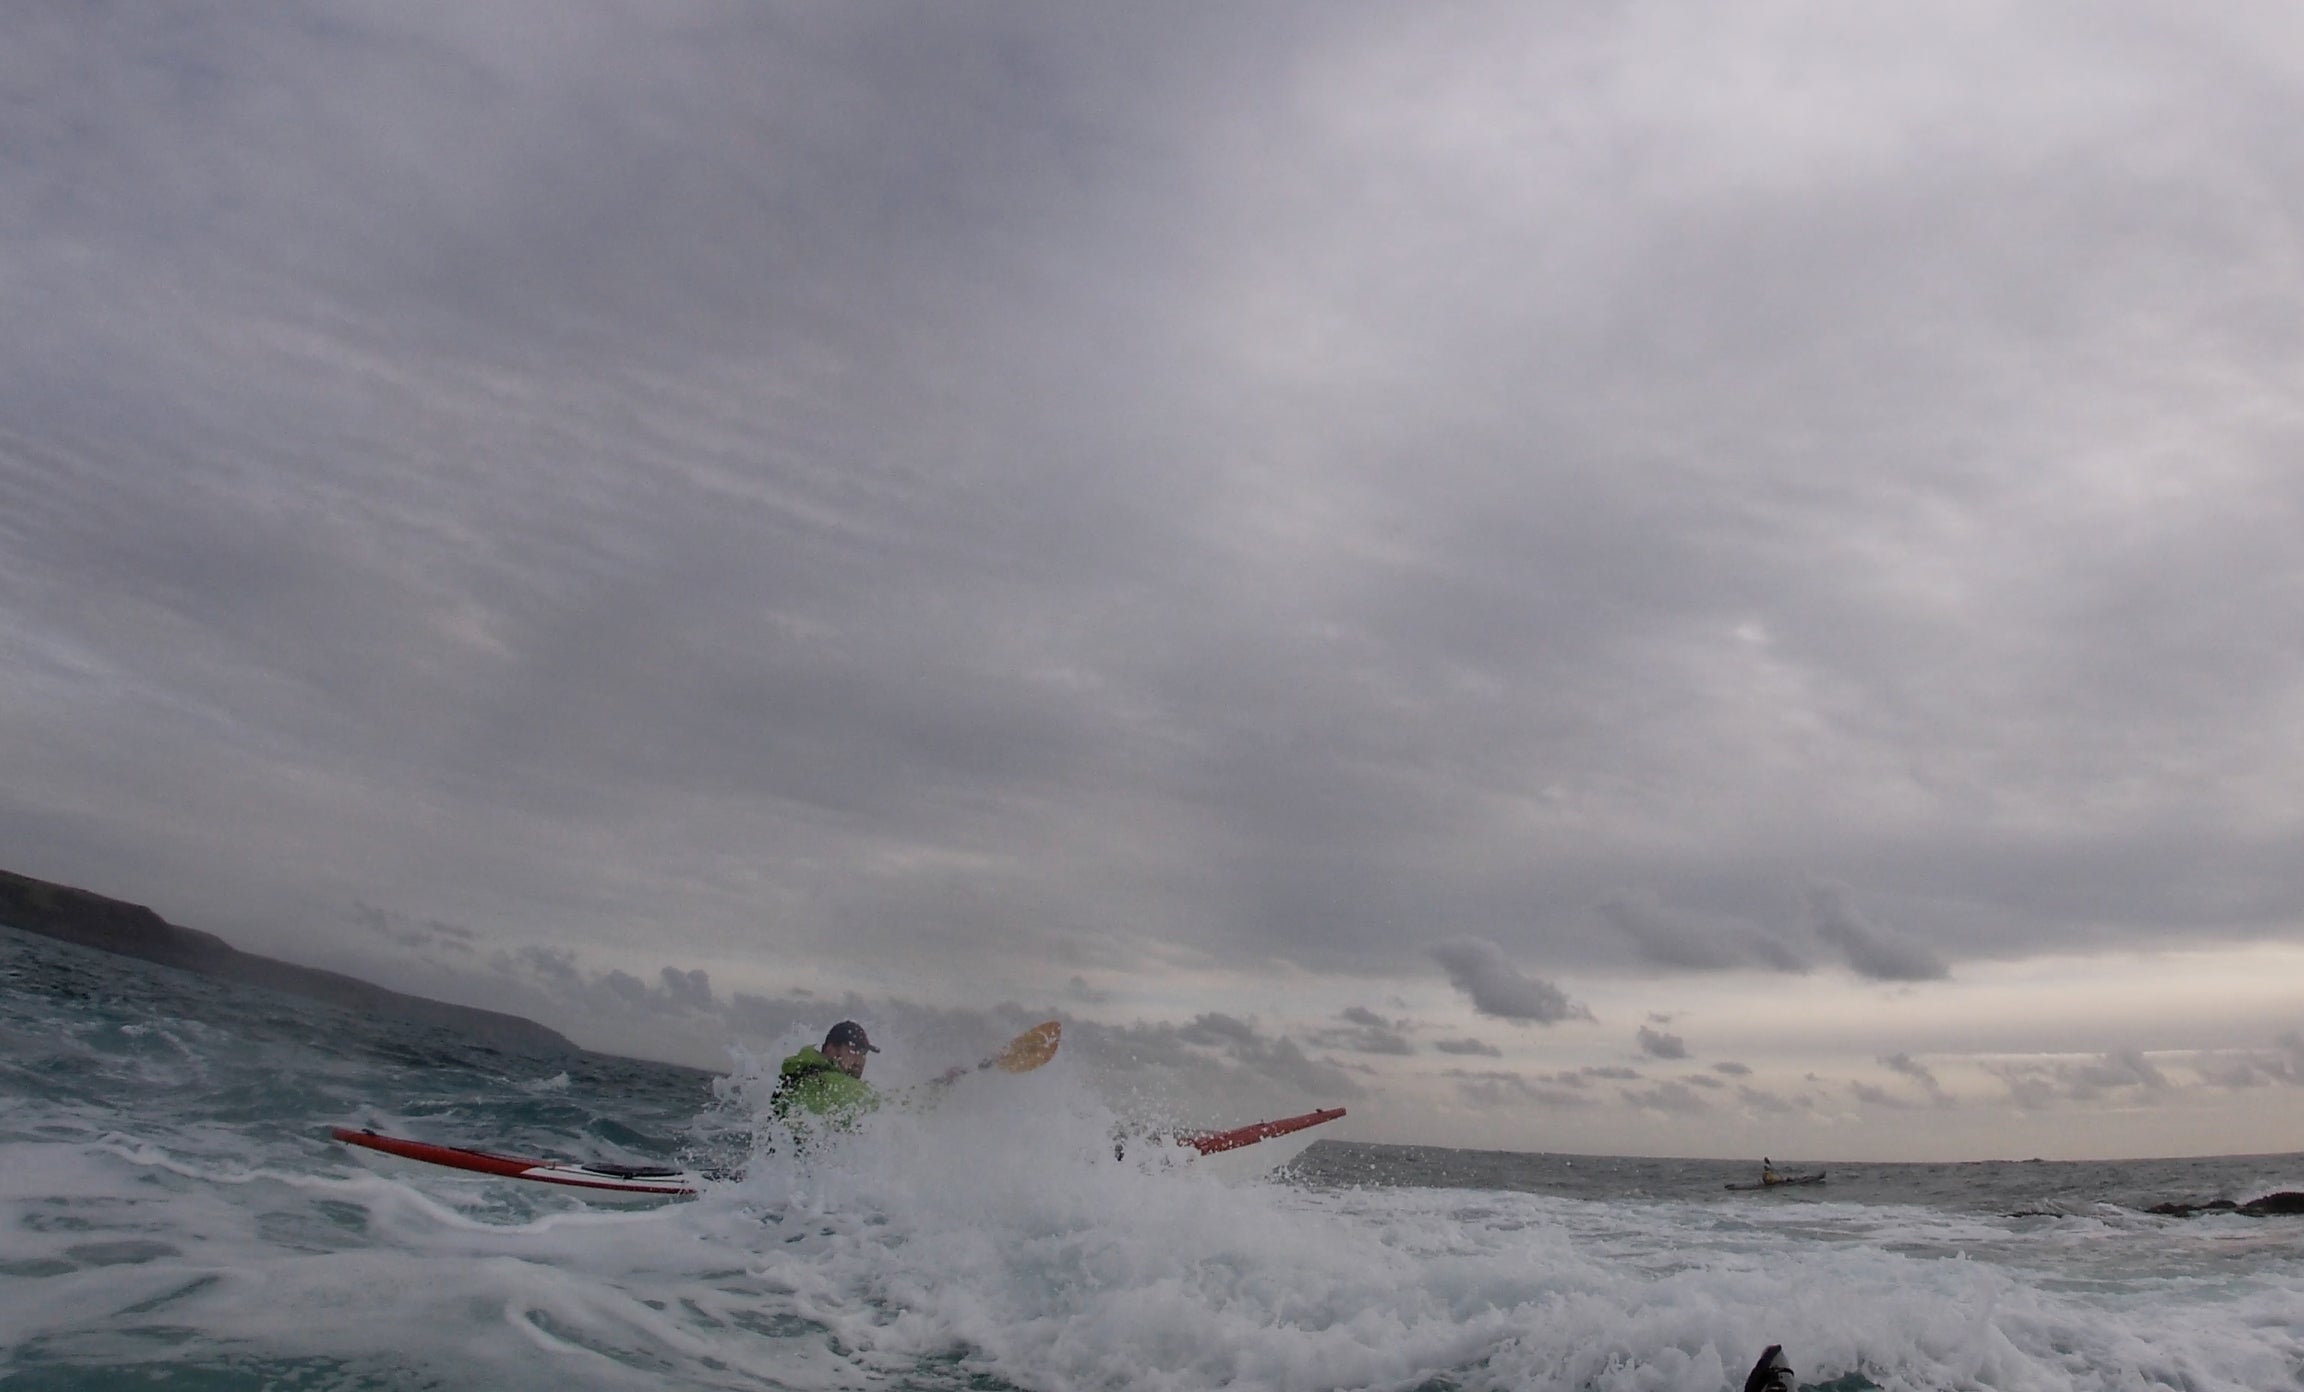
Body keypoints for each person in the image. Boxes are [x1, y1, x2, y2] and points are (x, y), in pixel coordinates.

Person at [772, 1020, 882, 1124]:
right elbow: (879, 1106)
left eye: (864, 1053)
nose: (860, 1059)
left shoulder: (799, 1075)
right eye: (854, 1050)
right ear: (830, 1048)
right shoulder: (828, 1082)